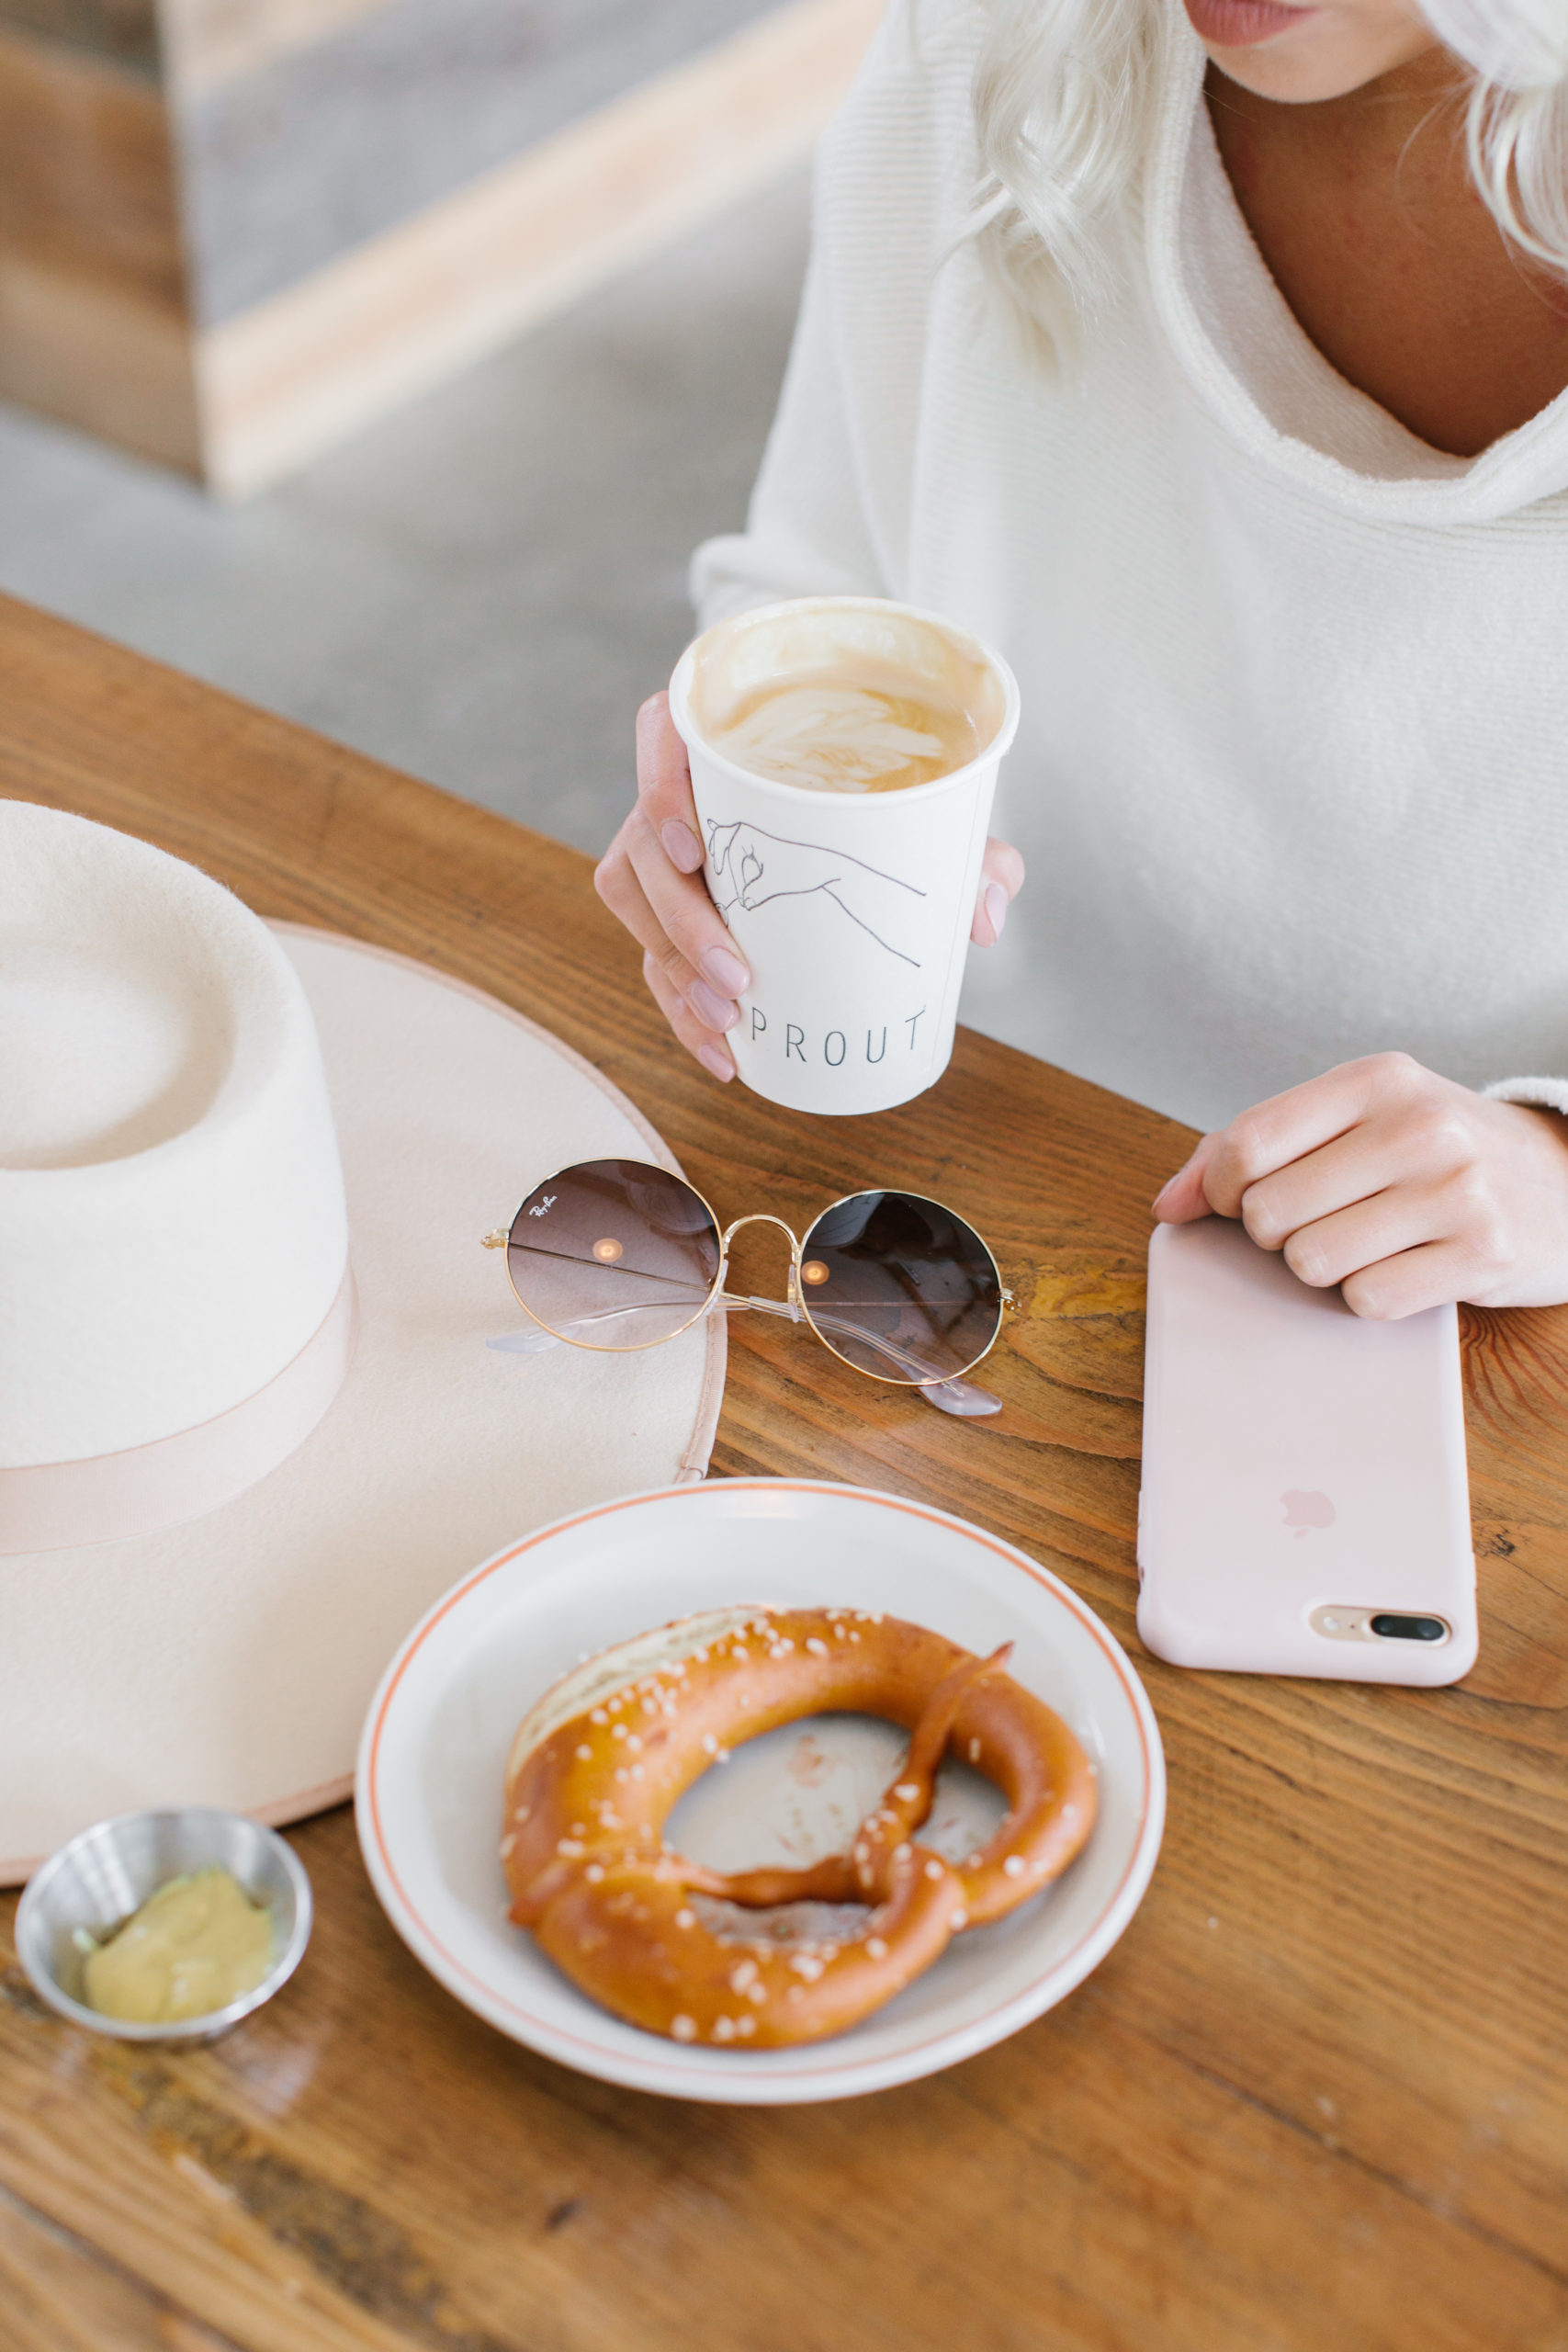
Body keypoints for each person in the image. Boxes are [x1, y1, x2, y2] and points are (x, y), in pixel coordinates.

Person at [594, 0, 1568, 1318]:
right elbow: (824, 571)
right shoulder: (995, 46)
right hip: (942, 1200)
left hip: (1458, 1329)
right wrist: (720, 808)